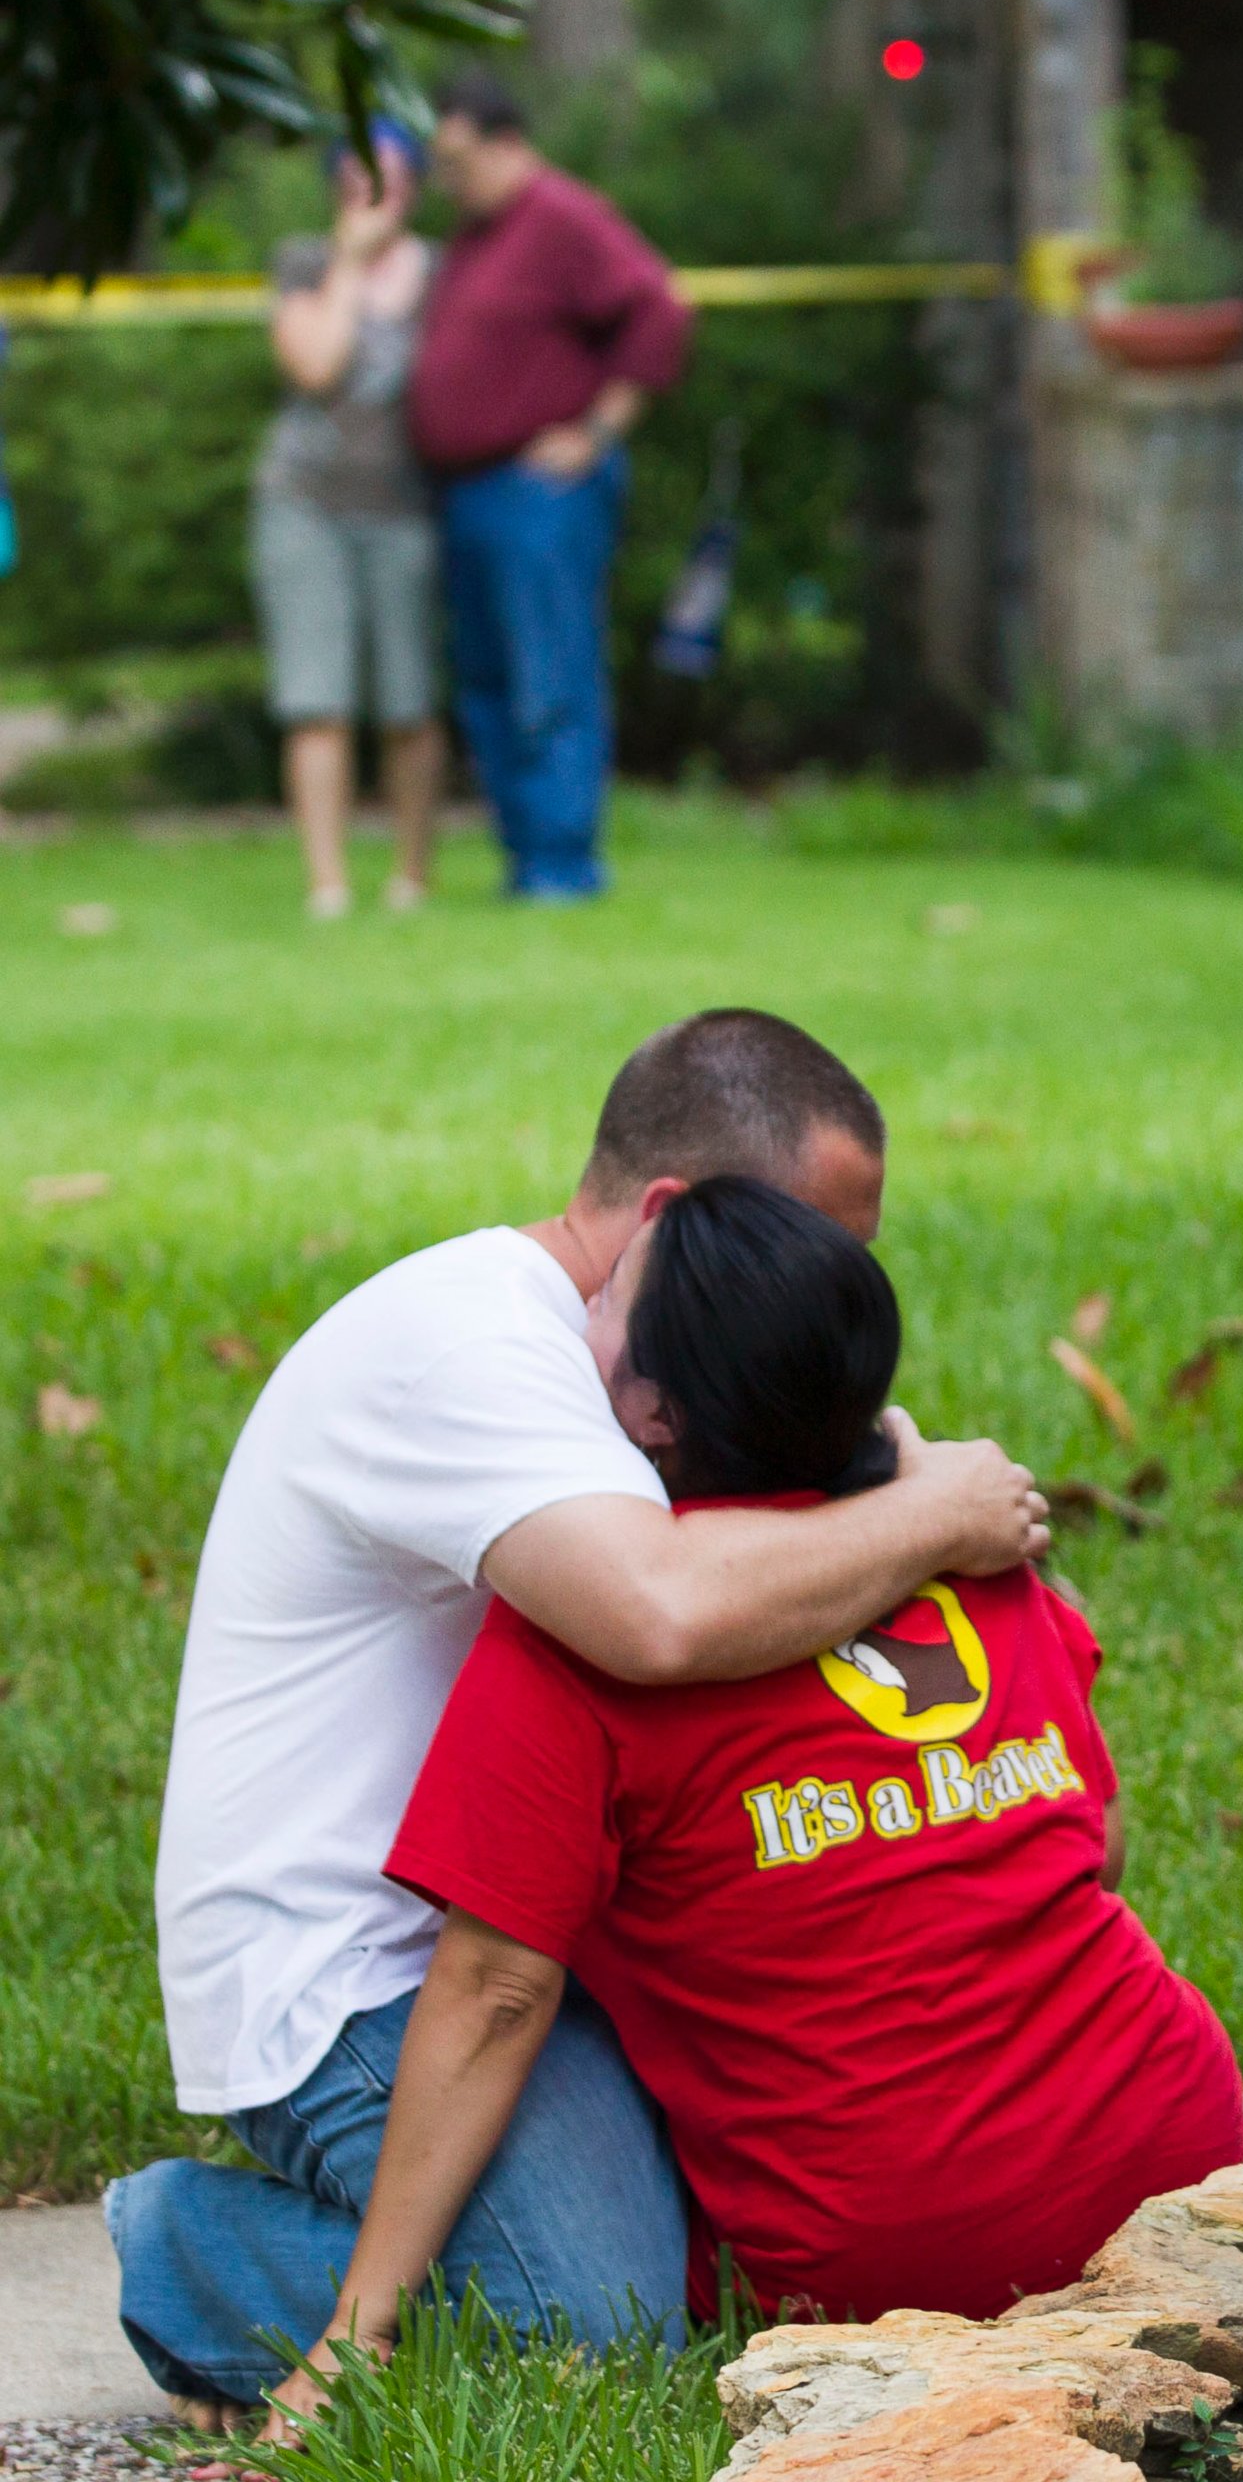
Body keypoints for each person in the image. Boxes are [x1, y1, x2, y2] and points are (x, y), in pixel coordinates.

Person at [237, 1177, 1243, 2437]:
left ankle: (179, 2242)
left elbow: (499, 1989)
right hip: (1159, 2111)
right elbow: (1093, 1846)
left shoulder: (579, 1647)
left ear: (654, 1410)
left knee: (578, 2306)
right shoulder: (982, 1569)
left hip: (884, 2261)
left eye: (607, 1299)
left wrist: (359, 2331)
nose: (579, 1307)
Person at [111, 1011, 1050, 2418]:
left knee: (774, 2242)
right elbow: (660, 1613)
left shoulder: (658, 1353)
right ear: (675, 1216)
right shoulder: (475, 1348)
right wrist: (934, 1508)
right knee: (602, 2336)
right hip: (354, 1972)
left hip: (543, 1931)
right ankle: (183, 2247)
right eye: (810, 1245)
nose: (820, 1295)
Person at [407, 70, 690, 902]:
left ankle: (563, 864)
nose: (447, 179)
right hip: (466, 492)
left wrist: (598, 430)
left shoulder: (563, 217)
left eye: (459, 159)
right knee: (490, 684)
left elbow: (659, 308)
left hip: (539, 493)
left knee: (549, 673)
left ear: (508, 144)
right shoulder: (474, 232)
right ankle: (524, 859)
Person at [253, 120, 446, 921]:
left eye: (394, 176)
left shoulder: (445, 272)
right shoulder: (304, 261)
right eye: (361, 177)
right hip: (303, 505)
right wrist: (349, 262)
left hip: (406, 507)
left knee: (409, 701)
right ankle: (327, 886)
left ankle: (412, 879)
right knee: (317, 699)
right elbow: (316, 364)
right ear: (338, 185)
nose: (377, 193)